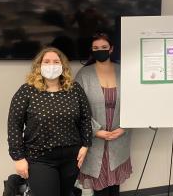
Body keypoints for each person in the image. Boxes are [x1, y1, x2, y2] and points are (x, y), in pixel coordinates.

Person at [7, 47, 92, 196]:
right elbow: (14, 125)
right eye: (46, 62)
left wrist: (86, 145)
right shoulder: (27, 91)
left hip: (71, 158)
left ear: (63, 66)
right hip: (40, 159)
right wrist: (18, 157)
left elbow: (85, 118)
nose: (51, 65)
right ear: (39, 66)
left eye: (56, 61)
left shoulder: (74, 89)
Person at [76, 33, 132, 196]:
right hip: (95, 140)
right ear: (91, 50)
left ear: (111, 49)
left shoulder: (124, 72)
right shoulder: (83, 74)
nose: (100, 51)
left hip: (120, 136)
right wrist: (95, 131)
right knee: (99, 188)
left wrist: (124, 127)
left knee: (115, 186)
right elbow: (77, 108)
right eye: (96, 48)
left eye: (104, 48)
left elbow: (134, 102)